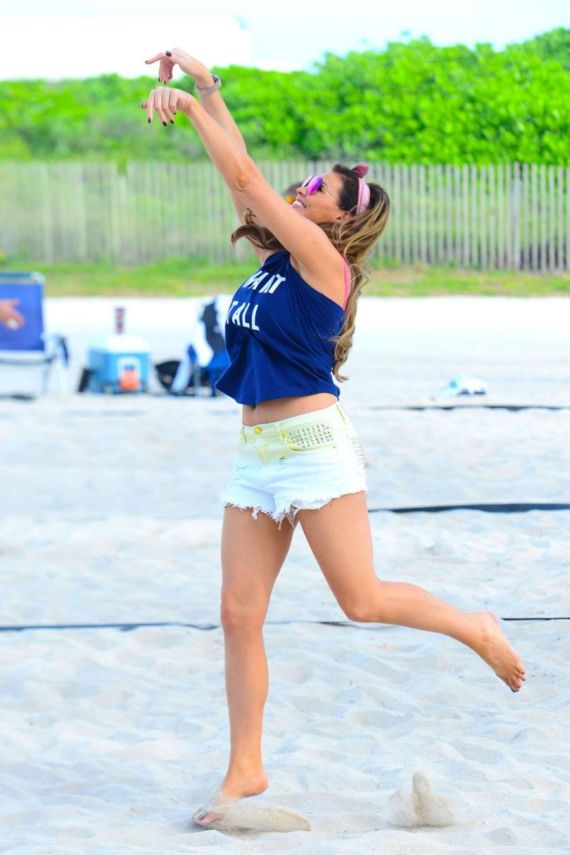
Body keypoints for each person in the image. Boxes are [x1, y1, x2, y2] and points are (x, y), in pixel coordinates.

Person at [142, 49, 526, 829]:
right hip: (255, 456)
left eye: (320, 189)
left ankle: (474, 626)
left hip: (313, 446)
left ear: (342, 219)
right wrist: (208, 88)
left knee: (362, 599)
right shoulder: (281, 255)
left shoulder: (322, 264)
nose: (305, 187)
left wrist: (184, 108)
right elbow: (242, 177)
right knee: (238, 612)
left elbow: (245, 176)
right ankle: (245, 764)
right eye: (310, 181)